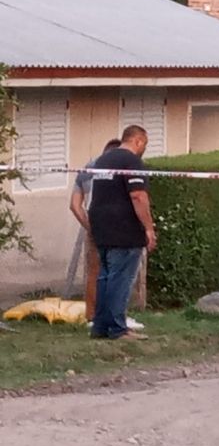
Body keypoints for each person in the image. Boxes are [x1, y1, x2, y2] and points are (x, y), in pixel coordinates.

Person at [88, 126, 155, 341]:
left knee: (105, 277)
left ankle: (100, 327)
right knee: (121, 279)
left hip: (101, 226)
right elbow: (138, 197)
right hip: (124, 229)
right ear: (137, 141)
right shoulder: (132, 162)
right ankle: (118, 328)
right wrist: (148, 228)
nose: (143, 149)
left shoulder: (102, 160)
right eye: (144, 144)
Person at [68, 138, 121, 323]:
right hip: (118, 226)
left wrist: (89, 226)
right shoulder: (122, 167)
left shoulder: (88, 168)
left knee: (94, 272)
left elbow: (75, 205)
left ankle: (92, 316)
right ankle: (114, 316)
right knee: (118, 272)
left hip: (95, 225)